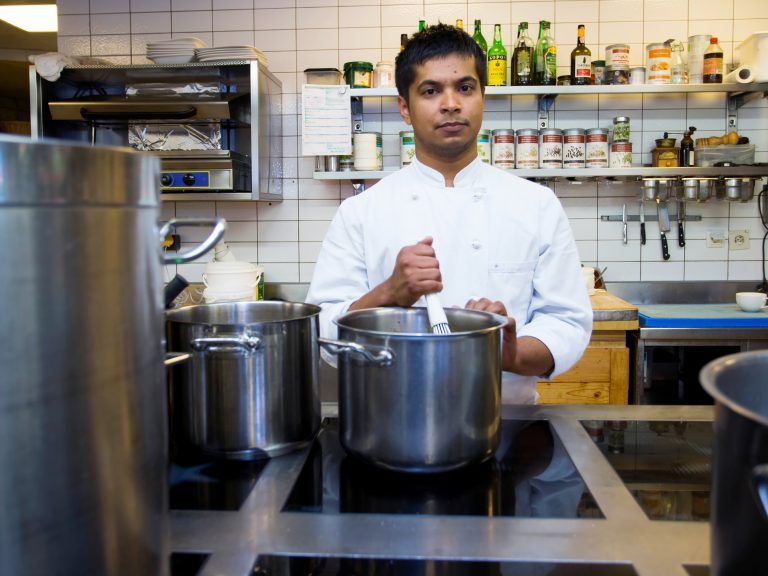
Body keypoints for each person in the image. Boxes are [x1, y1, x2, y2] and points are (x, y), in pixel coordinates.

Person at [306, 23, 592, 404]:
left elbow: (567, 322)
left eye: (465, 87)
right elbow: (324, 335)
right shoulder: (361, 212)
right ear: (405, 109)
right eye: (430, 91)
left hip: (509, 427)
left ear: (483, 98)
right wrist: (388, 292)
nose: (451, 103)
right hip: (391, 424)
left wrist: (513, 354)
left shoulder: (535, 205)